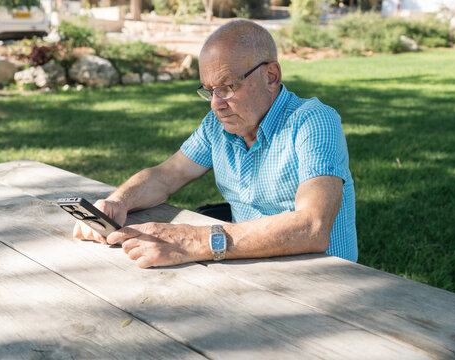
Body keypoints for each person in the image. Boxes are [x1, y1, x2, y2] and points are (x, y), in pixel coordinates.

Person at [74, 19, 357, 268]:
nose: (215, 105)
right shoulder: (218, 126)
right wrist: (117, 202)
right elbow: (166, 175)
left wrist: (195, 240)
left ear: (271, 76)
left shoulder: (313, 121)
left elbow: (312, 226)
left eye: (226, 87)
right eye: (208, 91)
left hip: (325, 281)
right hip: (254, 269)